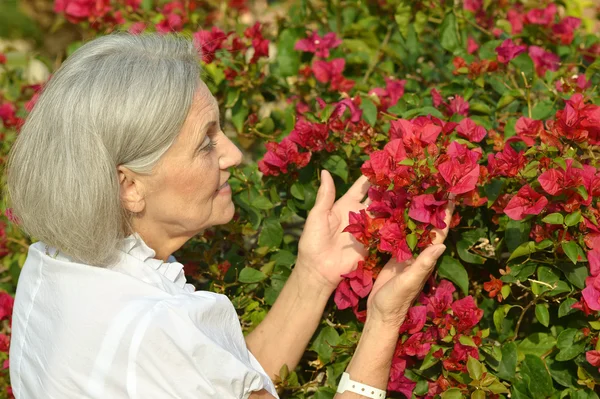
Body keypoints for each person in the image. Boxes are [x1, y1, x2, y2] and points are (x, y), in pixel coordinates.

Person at [5, 33, 451, 399]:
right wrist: (384, 320)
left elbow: (219, 383)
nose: (234, 155)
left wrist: (314, 274)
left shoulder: (52, 266)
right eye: (206, 142)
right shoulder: (154, 331)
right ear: (129, 187)